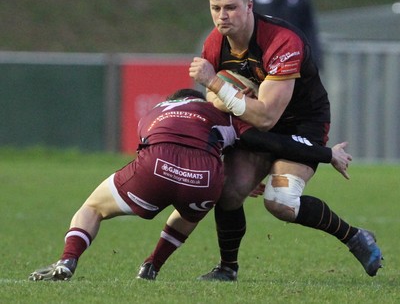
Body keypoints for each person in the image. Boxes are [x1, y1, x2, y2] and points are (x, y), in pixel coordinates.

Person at [28, 88, 351, 282]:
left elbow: (149, 143)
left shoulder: (156, 110)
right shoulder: (223, 115)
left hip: (157, 163)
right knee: (188, 211)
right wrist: (326, 153)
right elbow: (271, 143)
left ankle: (68, 259)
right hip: (204, 177)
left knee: (93, 208)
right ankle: (151, 266)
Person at [189, 0, 382, 281]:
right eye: (216, 8)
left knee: (280, 202)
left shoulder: (282, 41)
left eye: (231, 7)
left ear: (249, 5)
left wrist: (215, 83)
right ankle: (227, 269)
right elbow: (216, 105)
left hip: (303, 123)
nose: (222, 16)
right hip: (257, 122)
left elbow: (266, 117)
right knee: (228, 189)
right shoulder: (215, 44)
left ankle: (355, 236)